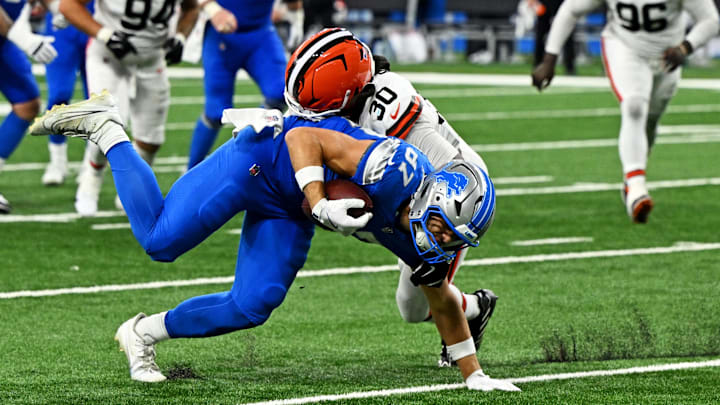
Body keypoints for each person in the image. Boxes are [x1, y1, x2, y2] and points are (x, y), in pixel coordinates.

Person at [30, 86, 518, 392]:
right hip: (262, 160)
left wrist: (473, 375)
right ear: (435, 199)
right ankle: (108, 129)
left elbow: (443, 299)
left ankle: (141, 332)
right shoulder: (395, 168)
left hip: (290, 205)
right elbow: (302, 139)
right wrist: (321, 201)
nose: (441, 242)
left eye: (453, 238)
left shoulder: (426, 238)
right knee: (160, 240)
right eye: (441, 228)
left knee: (253, 303)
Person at [286, 28, 498, 368]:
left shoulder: (391, 112)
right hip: (398, 199)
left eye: (321, 107)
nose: (313, 114)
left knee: (413, 308)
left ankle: (474, 309)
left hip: (446, 202)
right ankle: (470, 310)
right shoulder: (347, 100)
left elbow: (449, 176)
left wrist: (435, 243)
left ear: (353, 94)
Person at [532, 0, 720, 223]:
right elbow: (570, 10)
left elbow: (710, 20)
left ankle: (632, 175)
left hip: (667, 55)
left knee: (650, 120)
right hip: (624, 47)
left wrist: (686, 47)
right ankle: (636, 186)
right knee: (634, 107)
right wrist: (550, 59)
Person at [59, 0, 199, 216]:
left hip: (152, 58)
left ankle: (131, 190)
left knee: (151, 139)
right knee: (107, 126)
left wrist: (180, 37)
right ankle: (92, 177)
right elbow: (68, 6)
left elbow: (191, 8)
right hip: (107, 55)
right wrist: (105, 34)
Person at [185, 0, 304, 169]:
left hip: (261, 33)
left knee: (282, 92)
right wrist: (213, 10)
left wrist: (296, 18)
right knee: (216, 112)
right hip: (222, 36)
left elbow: (293, 4)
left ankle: (245, 151)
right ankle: (190, 171)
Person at [0, 0, 57, 213]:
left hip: (3, 40)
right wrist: (24, 38)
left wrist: (60, 11)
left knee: (27, 105)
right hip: (6, 31)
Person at [40, 0, 92, 186]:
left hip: (96, 19)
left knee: (95, 98)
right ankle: (57, 161)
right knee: (58, 94)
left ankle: (90, 165)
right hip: (61, 18)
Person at [532, 0, 576, 75]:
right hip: (545, 3)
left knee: (567, 35)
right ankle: (538, 65)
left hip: (562, 2)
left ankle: (570, 67)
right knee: (540, 34)